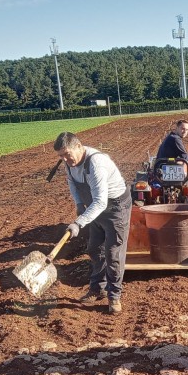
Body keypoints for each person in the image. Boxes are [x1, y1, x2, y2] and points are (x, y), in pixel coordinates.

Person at [54, 131, 132, 315]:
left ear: (78, 146)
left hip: (115, 208)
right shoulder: (69, 163)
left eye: (67, 154)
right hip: (95, 207)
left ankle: (114, 296)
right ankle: (98, 288)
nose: (65, 159)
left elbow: (101, 202)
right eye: (61, 156)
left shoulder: (96, 163)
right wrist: (79, 204)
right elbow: (72, 183)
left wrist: (78, 223)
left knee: (113, 253)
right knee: (95, 249)